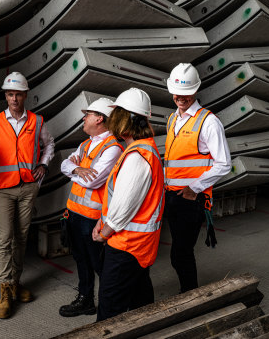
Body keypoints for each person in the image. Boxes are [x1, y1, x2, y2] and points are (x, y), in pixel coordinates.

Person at [0, 72, 55, 319]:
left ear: (25, 95)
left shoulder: (37, 121)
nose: (14, 98)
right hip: (2, 189)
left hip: (27, 188)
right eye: (10, 94)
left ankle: (16, 283)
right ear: (6, 96)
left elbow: (50, 144)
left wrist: (44, 166)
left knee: (22, 238)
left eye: (18, 94)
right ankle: (5, 290)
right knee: (4, 239)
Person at [91, 88, 165, 321]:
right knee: (140, 303)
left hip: (127, 247)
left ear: (128, 119)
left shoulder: (137, 157)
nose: (112, 120)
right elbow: (118, 198)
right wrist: (102, 220)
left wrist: (105, 232)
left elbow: (123, 208)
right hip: (137, 247)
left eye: (117, 114)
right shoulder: (140, 150)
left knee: (109, 310)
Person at [163, 63, 231, 294]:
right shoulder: (173, 119)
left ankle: (190, 296)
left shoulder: (209, 122)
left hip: (191, 199)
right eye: (176, 92)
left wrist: (194, 187)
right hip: (171, 195)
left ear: (196, 90)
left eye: (186, 92)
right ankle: (189, 294)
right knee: (179, 254)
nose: (180, 97)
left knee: (180, 254)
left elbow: (224, 164)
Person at [58, 98, 124, 317]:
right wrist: (77, 169)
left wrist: (74, 169)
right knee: (81, 260)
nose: (84, 118)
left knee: (100, 265)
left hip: (93, 219)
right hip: (74, 213)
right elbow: (63, 164)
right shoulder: (86, 143)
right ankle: (85, 300)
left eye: (88, 114)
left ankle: (110, 307)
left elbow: (93, 181)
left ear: (100, 118)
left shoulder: (112, 148)